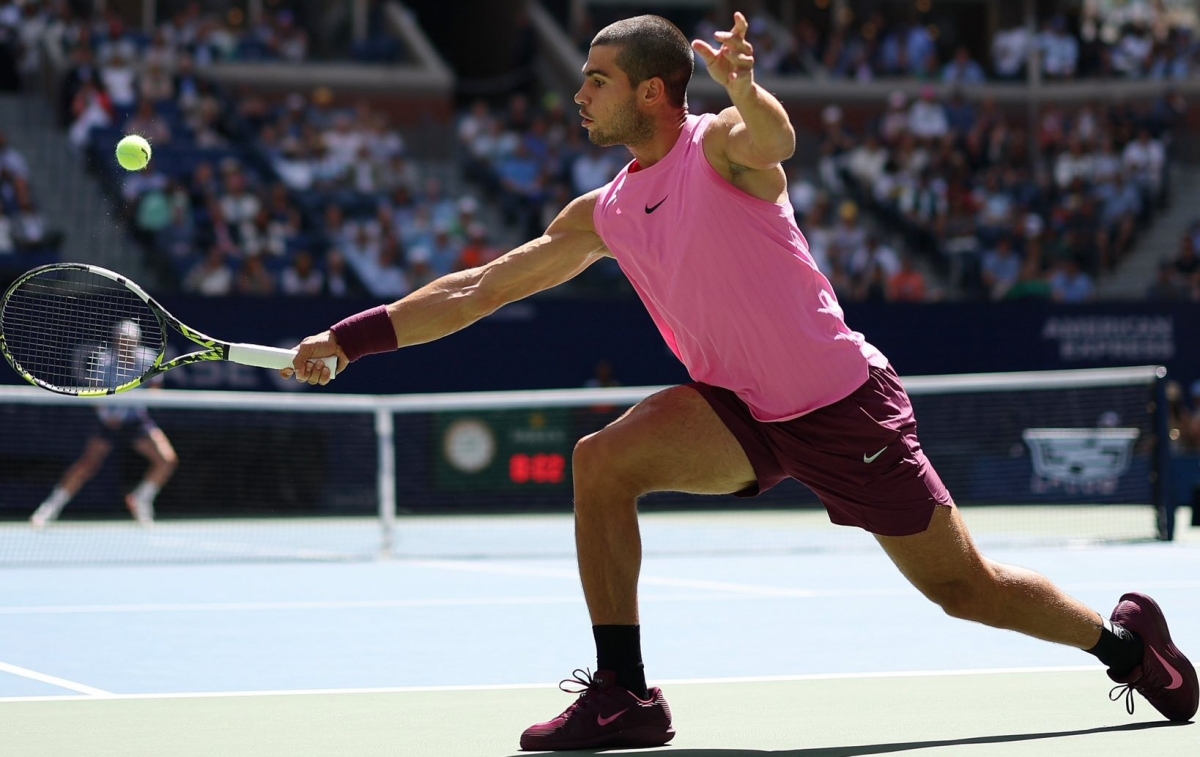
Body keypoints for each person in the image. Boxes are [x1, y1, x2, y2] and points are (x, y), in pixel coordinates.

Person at [285, 13, 1198, 751]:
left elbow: (775, 137)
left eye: (596, 79)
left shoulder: (719, 147)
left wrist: (746, 89)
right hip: (741, 411)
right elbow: (477, 287)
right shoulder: (602, 210)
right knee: (601, 462)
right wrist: (347, 338)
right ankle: (624, 693)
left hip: (843, 406)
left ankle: (1124, 642)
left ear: (651, 89)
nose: (579, 94)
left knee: (963, 589)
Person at [31, 321, 178, 528]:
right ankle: (49, 508)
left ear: (136, 341)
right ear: (116, 341)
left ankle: (141, 499)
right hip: (108, 423)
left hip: (136, 421)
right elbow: (95, 392)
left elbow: (155, 388)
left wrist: (138, 405)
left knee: (167, 460)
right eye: (121, 341)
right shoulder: (103, 361)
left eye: (129, 341)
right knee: (87, 465)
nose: (124, 345)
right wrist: (109, 415)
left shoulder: (149, 359)